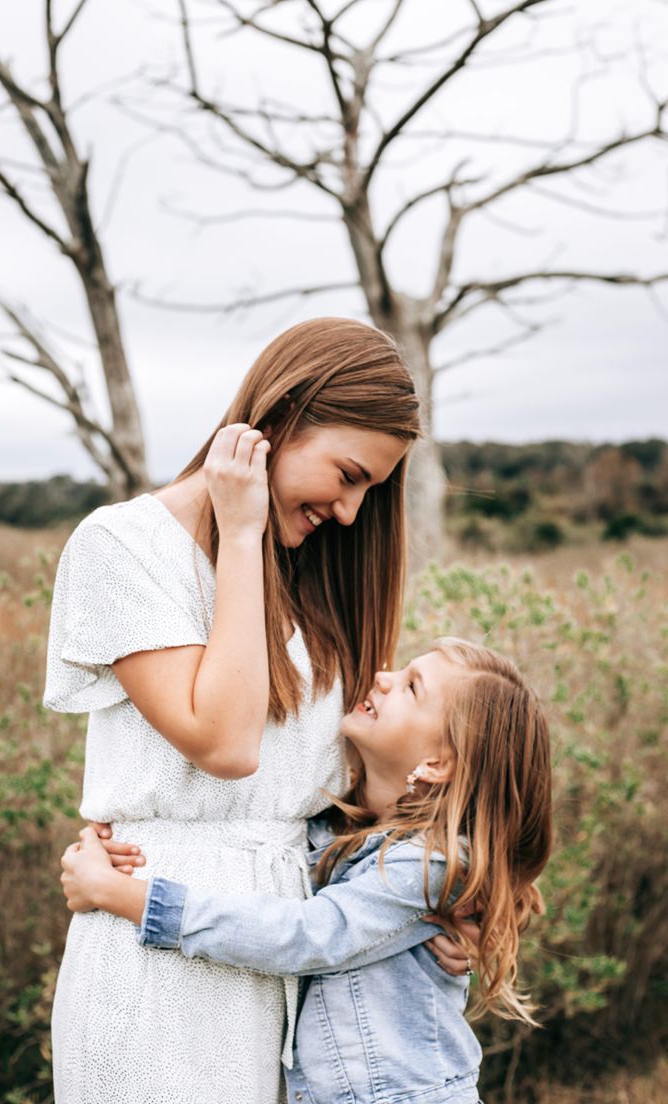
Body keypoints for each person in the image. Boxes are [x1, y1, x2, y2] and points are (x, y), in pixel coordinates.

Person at [43, 318, 469, 1104]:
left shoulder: (318, 573)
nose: (349, 511)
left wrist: (437, 903)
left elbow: (346, 797)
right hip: (160, 958)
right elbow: (226, 742)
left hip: (296, 975)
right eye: (347, 475)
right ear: (280, 419)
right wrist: (239, 535)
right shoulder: (125, 547)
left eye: (369, 490)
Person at [61, 637, 553, 1104]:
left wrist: (124, 895)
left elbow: (307, 936)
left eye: (411, 687)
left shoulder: (428, 867)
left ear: (437, 762)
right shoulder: (338, 835)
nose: (383, 677)